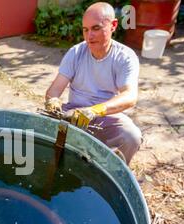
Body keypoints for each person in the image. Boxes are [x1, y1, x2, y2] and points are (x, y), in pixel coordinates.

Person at [45, 2, 142, 164]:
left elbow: (130, 96)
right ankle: (59, 165)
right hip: (74, 112)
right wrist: (53, 100)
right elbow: (54, 89)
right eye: (85, 30)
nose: (89, 36)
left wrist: (94, 111)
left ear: (113, 25)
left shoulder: (125, 56)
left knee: (131, 137)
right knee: (40, 127)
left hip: (106, 114)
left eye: (96, 28)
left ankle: (112, 173)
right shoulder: (76, 52)